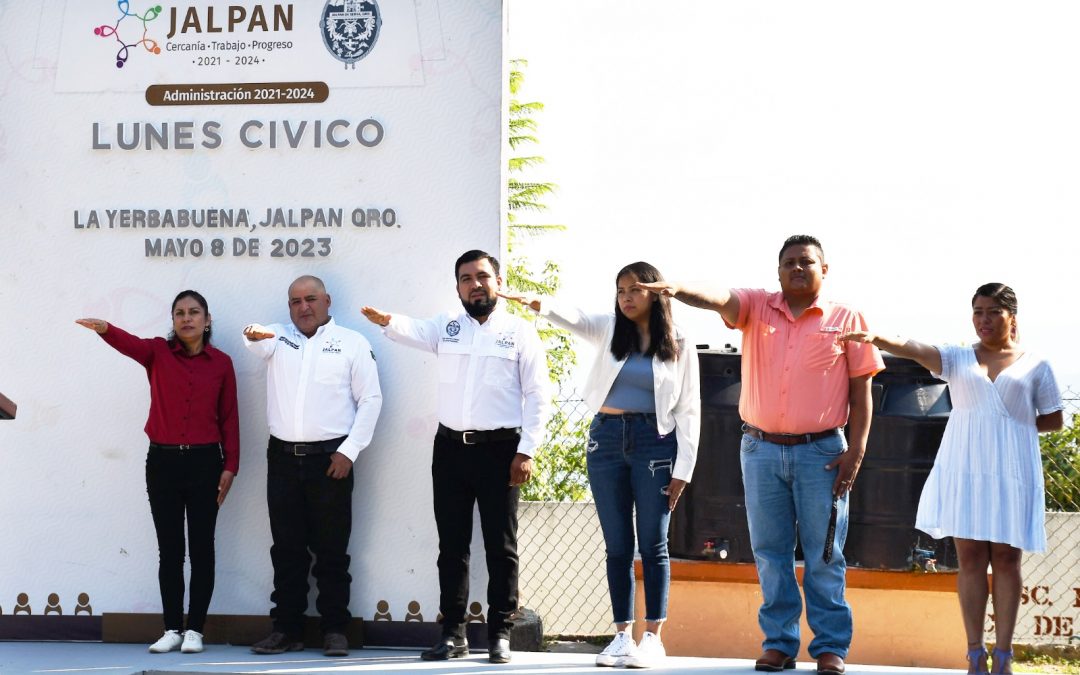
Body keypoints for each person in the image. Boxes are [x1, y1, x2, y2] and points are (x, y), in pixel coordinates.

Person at [637, 235, 883, 675]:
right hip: (760, 450)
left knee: (825, 554)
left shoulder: (847, 318)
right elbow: (717, 297)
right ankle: (779, 644)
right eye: (789, 262)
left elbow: (862, 390)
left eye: (806, 262)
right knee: (770, 553)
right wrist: (677, 288)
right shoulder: (756, 306)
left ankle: (830, 648)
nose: (797, 268)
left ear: (824, 269)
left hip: (823, 454)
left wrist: (858, 449)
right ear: (778, 271)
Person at [840, 283, 1063, 675]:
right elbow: (913, 348)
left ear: (1012, 316)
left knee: (1007, 559)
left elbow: (1053, 419)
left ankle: (1004, 655)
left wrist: (1011, 428)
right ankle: (975, 653)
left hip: (1012, 471)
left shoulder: (1036, 365)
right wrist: (877, 337)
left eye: (993, 311)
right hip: (965, 469)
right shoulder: (958, 358)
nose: (984, 320)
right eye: (978, 311)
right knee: (971, 558)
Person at [501, 261, 700, 669]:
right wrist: (530, 300)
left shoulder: (679, 340)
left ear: (656, 294)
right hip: (605, 440)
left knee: (654, 542)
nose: (626, 298)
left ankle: (653, 637)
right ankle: (622, 636)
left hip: (655, 442)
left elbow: (689, 408)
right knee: (617, 545)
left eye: (635, 290)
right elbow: (571, 316)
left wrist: (684, 470)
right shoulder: (610, 329)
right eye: (620, 291)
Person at [360, 250, 551, 664]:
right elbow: (413, 328)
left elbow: (539, 395)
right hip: (450, 451)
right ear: (458, 288)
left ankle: (500, 633)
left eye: (482, 276)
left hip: (501, 452)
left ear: (498, 282)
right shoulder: (446, 327)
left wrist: (526, 451)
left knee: (501, 547)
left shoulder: (520, 332)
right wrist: (386, 320)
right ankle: (452, 634)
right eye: (466, 279)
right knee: (452, 547)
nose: (475, 285)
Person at [76, 290, 239, 655]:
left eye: (194, 312)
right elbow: (130, 344)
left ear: (207, 320)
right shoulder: (157, 353)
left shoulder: (222, 363)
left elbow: (230, 417)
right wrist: (105, 329)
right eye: (179, 313)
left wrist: (231, 465)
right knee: (170, 550)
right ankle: (172, 628)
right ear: (173, 320)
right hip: (163, 464)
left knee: (202, 548)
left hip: (205, 464)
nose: (187, 318)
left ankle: (195, 630)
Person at [243, 275, 382, 658]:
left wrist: (349, 452)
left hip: (331, 461)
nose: (303, 307)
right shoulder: (278, 337)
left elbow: (370, 400)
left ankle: (335, 630)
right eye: (295, 301)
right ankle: (286, 630)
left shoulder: (353, 343)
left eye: (311, 299)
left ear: (327, 301)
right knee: (287, 551)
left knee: (332, 551)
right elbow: (254, 338)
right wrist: (251, 332)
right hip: (282, 460)